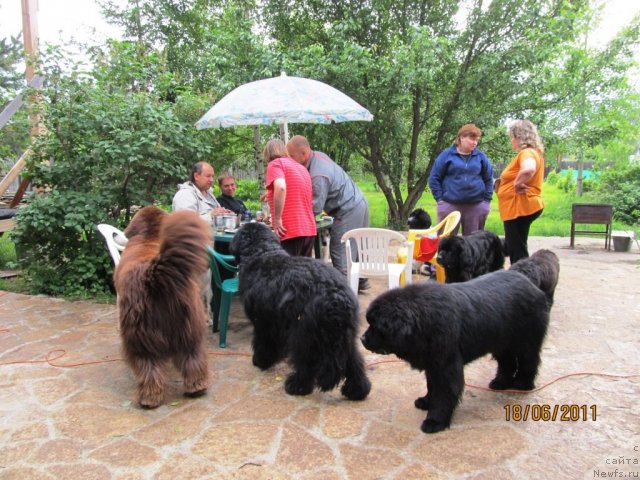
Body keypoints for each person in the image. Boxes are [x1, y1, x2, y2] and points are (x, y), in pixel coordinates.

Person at [286, 135, 371, 292]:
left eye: (291, 156)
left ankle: (343, 294)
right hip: (359, 202)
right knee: (355, 248)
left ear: (303, 153)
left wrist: (294, 219)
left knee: (340, 251)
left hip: (347, 209)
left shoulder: (318, 175)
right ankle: (361, 281)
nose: (289, 160)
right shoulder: (317, 156)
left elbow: (315, 207)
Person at [428, 124, 494, 236]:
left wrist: (486, 202)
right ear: (462, 137)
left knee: (473, 244)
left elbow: (488, 179)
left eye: (476, 140)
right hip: (450, 205)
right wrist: (440, 200)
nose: (475, 143)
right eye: (472, 139)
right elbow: (434, 178)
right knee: (445, 243)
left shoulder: (481, 157)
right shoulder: (446, 155)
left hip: (475, 206)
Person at [496, 119, 545, 265]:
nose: (512, 141)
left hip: (519, 207)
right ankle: (523, 278)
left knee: (517, 251)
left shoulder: (527, 153)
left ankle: (521, 280)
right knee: (517, 246)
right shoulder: (533, 152)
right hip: (519, 207)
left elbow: (529, 168)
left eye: (512, 137)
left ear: (520, 137)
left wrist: (517, 183)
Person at [263, 139, 317, 257]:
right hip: (308, 230)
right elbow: (297, 193)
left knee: (286, 273)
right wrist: (270, 195)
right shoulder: (301, 168)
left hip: (290, 230)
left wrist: (277, 219)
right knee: (303, 273)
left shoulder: (275, 164)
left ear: (267, 154)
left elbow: (281, 187)